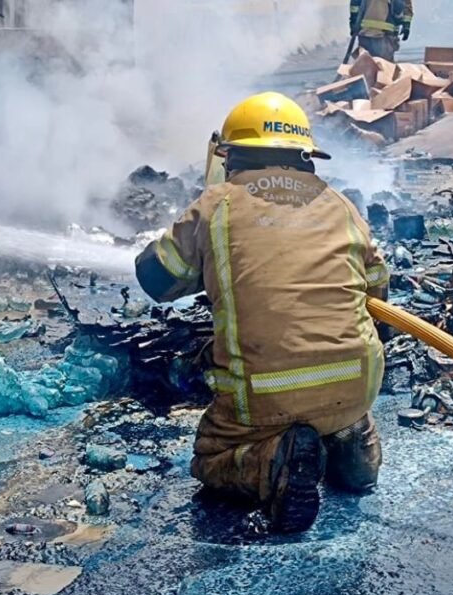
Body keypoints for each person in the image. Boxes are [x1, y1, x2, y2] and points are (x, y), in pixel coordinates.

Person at [134, 92, 389, 534]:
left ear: (230, 156)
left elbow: (156, 280)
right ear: (305, 157)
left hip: (265, 395)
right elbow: (378, 291)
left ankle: (273, 460)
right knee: (341, 406)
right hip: (355, 382)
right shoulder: (342, 205)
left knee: (211, 459)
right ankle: (353, 450)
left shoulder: (215, 206)